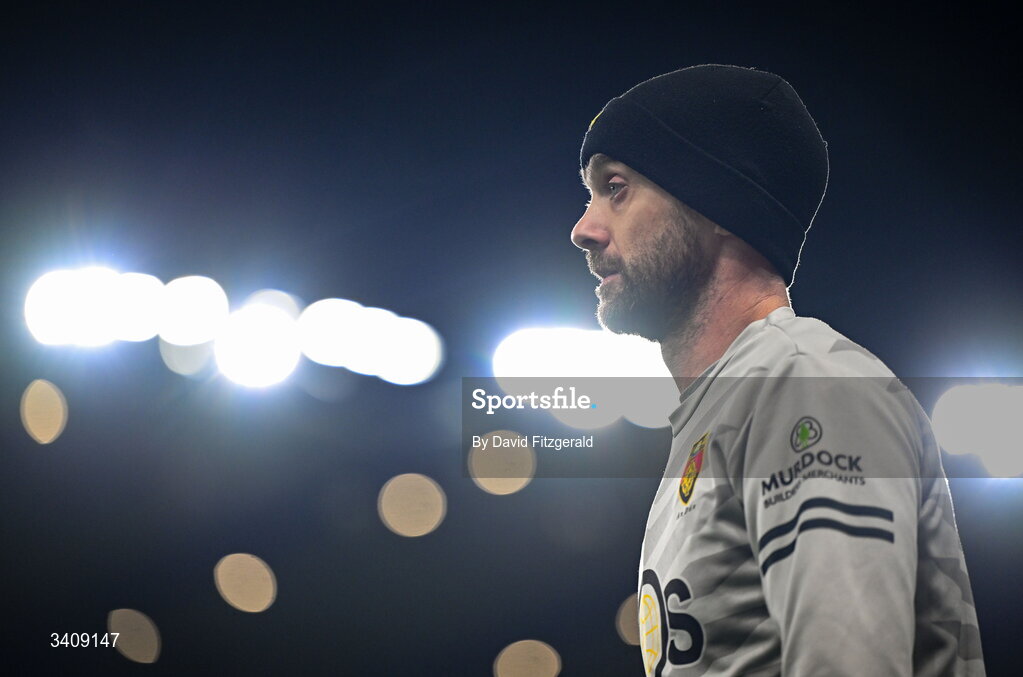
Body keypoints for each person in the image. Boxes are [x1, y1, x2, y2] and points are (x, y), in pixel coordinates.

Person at [571, 65, 985, 676]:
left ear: (717, 204)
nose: (584, 229)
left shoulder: (805, 384)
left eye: (616, 187)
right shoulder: (726, 411)